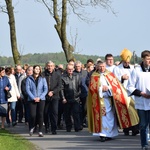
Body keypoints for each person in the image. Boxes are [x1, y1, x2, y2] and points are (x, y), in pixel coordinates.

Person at [87, 61, 139, 142]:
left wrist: (108, 88)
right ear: (97, 67)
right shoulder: (94, 76)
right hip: (99, 100)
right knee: (103, 117)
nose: (102, 68)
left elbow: (116, 86)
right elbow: (92, 89)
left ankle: (110, 134)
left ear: (105, 66)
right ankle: (103, 134)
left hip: (110, 99)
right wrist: (100, 89)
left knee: (110, 117)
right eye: (100, 66)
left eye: (103, 66)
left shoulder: (110, 75)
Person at [127, 50, 150, 150]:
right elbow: (130, 86)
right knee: (143, 125)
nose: (149, 61)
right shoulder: (136, 70)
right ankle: (144, 144)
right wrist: (141, 93)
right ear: (143, 59)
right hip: (141, 101)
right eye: (147, 59)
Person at [113, 48, 139, 136]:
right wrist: (121, 78)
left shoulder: (133, 68)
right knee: (125, 111)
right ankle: (126, 129)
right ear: (123, 60)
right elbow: (114, 81)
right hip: (122, 93)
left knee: (134, 111)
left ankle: (135, 128)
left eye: (128, 62)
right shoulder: (117, 69)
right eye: (125, 62)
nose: (127, 63)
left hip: (132, 93)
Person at [26, 65, 48, 137]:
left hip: (41, 99)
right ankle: (32, 127)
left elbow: (45, 89)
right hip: (32, 99)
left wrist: (40, 97)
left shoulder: (43, 78)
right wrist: (33, 97)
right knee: (33, 115)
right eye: (36, 69)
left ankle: (40, 131)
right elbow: (28, 89)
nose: (37, 70)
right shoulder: (29, 78)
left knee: (40, 115)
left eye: (39, 69)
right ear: (33, 70)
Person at [61, 64, 82, 132]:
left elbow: (80, 86)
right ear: (66, 69)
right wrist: (63, 98)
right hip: (67, 99)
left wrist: (78, 94)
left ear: (73, 69)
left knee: (76, 113)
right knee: (67, 114)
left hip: (76, 98)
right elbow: (61, 89)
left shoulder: (77, 76)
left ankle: (77, 127)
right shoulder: (63, 77)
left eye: (71, 69)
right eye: (69, 69)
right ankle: (68, 127)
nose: (70, 70)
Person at [43, 61, 62, 135]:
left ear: (54, 66)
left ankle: (54, 128)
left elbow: (60, 86)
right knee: (46, 112)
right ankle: (47, 127)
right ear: (46, 66)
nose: (50, 67)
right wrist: (47, 92)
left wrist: (53, 92)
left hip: (55, 96)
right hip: (45, 96)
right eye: (48, 66)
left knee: (54, 113)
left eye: (51, 66)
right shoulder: (43, 74)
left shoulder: (57, 75)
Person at [74, 60, 88, 127]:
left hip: (85, 92)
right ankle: (79, 123)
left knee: (85, 108)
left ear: (81, 66)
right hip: (76, 93)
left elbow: (88, 81)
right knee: (78, 109)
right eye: (76, 66)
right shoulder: (73, 73)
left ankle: (83, 120)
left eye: (78, 66)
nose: (77, 67)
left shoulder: (85, 73)